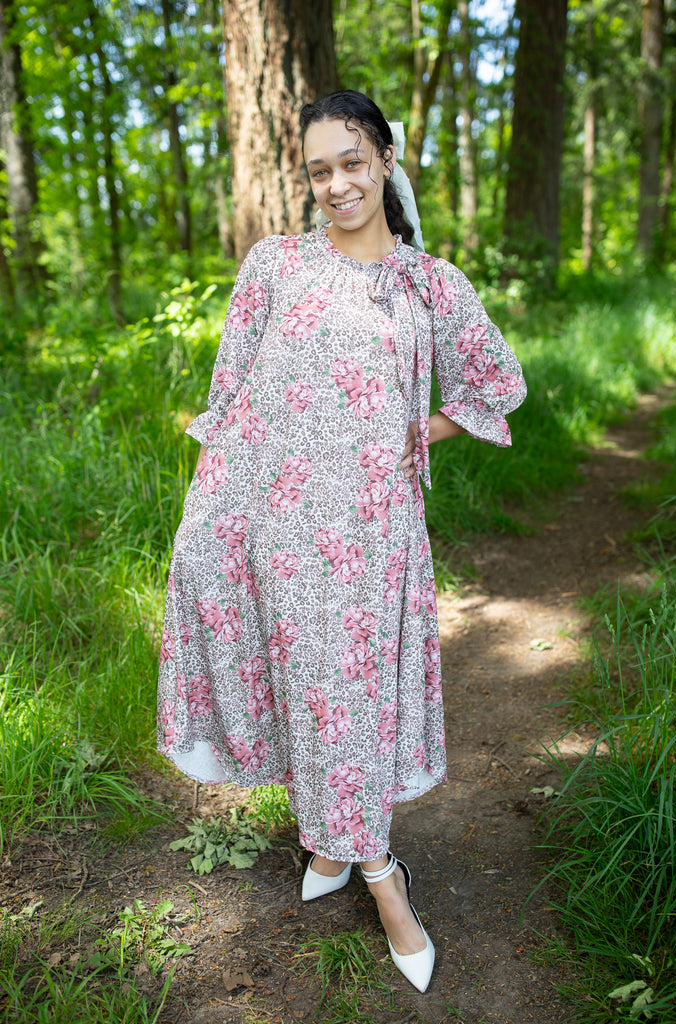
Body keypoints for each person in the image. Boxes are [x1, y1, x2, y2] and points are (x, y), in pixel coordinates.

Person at [157, 90, 526, 993]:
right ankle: (332, 842)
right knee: (303, 691)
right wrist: (205, 519)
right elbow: (232, 393)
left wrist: (419, 430)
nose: (336, 184)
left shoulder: (430, 283)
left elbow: (494, 382)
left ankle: (380, 877)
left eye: (352, 162)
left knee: (347, 700)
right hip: (273, 523)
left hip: (368, 533)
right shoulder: (274, 264)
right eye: (319, 170)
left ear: (386, 160)